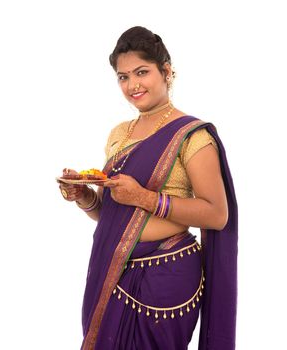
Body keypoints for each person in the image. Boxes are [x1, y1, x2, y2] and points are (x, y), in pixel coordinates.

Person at [58, 26, 237, 350]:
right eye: (123, 77)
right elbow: (116, 217)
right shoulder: (119, 133)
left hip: (166, 275)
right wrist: (87, 199)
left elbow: (217, 214)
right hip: (113, 268)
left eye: (142, 72)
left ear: (166, 71)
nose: (132, 85)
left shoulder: (192, 136)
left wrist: (144, 197)